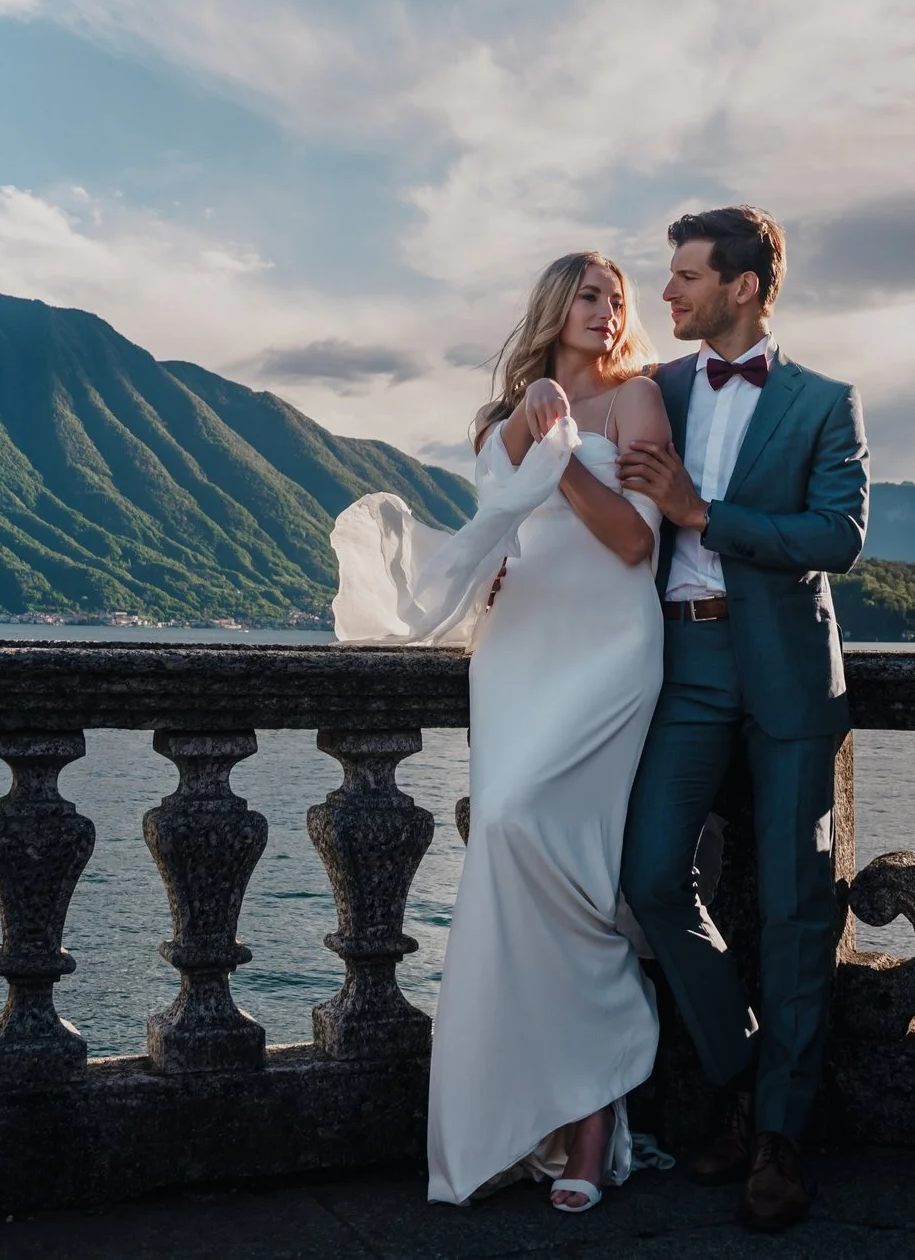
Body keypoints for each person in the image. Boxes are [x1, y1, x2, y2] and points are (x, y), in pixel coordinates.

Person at [328, 250, 672, 1212]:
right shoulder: (499, 417)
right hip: (518, 653)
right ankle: (551, 1116)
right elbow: (496, 536)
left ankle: (598, 1110)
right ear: (555, 308)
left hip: (608, 649)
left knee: (542, 841)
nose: (606, 310)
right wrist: (522, 458)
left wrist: (557, 463)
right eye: (589, 295)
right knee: (509, 865)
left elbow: (636, 540)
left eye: (617, 298)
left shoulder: (637, 404)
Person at [616, 205, 868, 1234]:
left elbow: (839, 536)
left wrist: (704, 514)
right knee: (649, 876)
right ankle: (745, 1068)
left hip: (787, 670)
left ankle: (777, 1135)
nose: (664, 293)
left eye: (683, 276)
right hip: (680, 661)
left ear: (744, 285)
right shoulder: (655, 389)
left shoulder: (823, 400)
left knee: (795, 899)